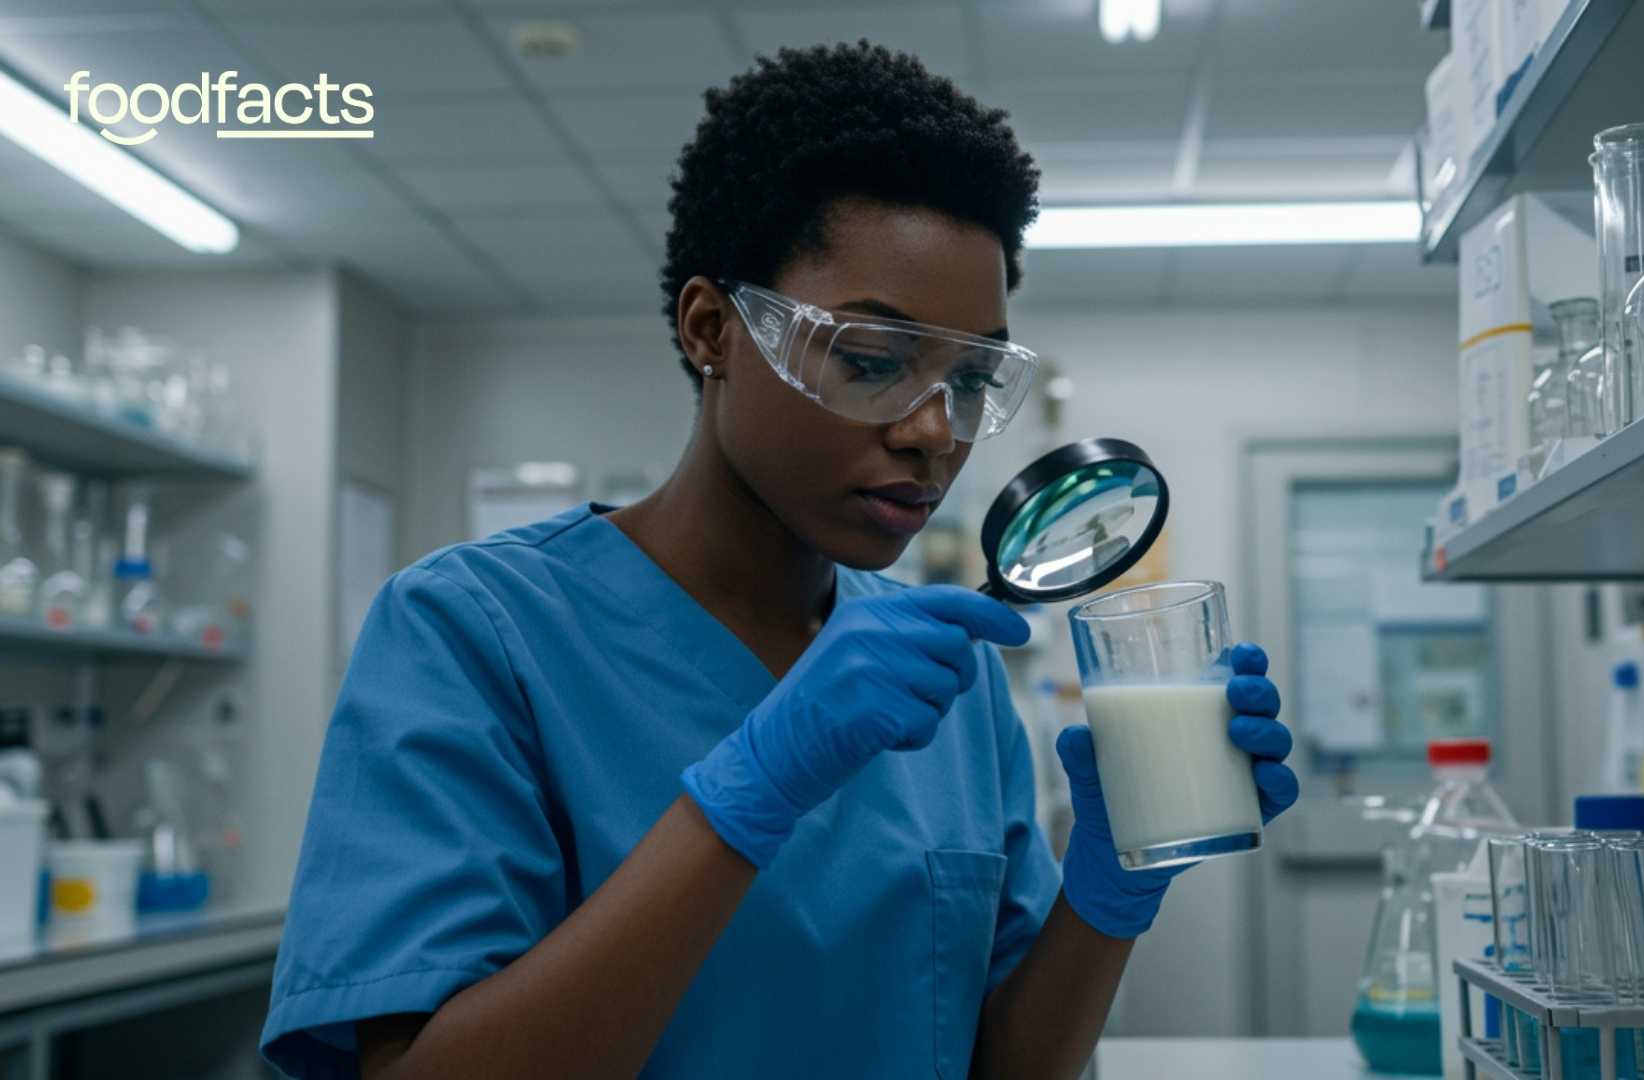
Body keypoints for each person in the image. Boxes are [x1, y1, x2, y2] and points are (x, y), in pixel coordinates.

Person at [260, 42, 1297, 1079]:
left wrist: (1105, 890)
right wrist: (748, 793)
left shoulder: (955, 685)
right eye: (872, 360)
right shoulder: (474, 634)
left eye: (973, 381)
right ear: (713, 328)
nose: (935, 430)